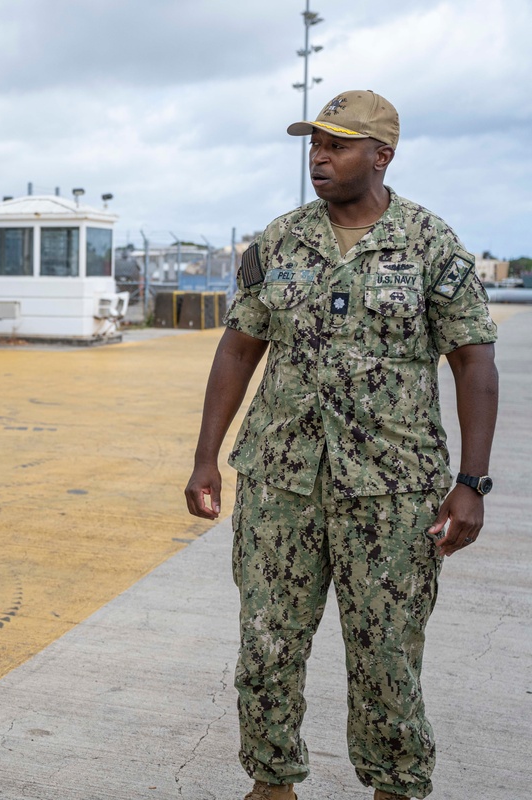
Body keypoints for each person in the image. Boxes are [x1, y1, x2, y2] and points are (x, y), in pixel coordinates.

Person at [183, 90, 498, 800]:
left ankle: (394, 787)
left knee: (387, 656)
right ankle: (271, 787)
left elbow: (474, 362)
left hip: (392, 494)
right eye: (314, 145)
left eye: (337, 145)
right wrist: (207, 455)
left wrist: (471, 483)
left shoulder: (429, 244)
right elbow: (239, 350)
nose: (318, 158)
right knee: (266, 648)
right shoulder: (281, 240)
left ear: (382, 155)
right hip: (281, 483)